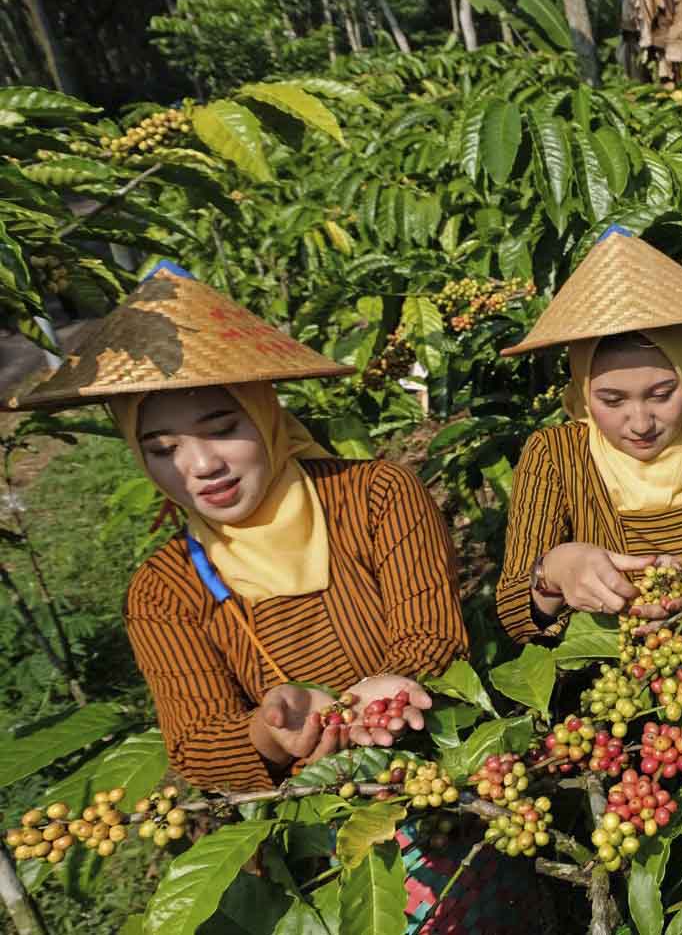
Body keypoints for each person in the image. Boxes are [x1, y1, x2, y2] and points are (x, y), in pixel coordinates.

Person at [3, 266, 513, 933]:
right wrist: (266, 732)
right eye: (161, 449)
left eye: (221, 428)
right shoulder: (165, 590)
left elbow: (432, 639)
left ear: (264, 411)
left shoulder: (376, 496)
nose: (200, 467)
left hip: (446, 780)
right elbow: (196, 742)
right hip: (318, 824)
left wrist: (388, 688)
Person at [495, 227, 682, 642]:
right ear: (583, 394)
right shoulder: (554, 455)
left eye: (662, 394)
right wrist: (553, 571)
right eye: (612, 401)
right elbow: (516, 617)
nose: (641, 422)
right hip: (606, 680)